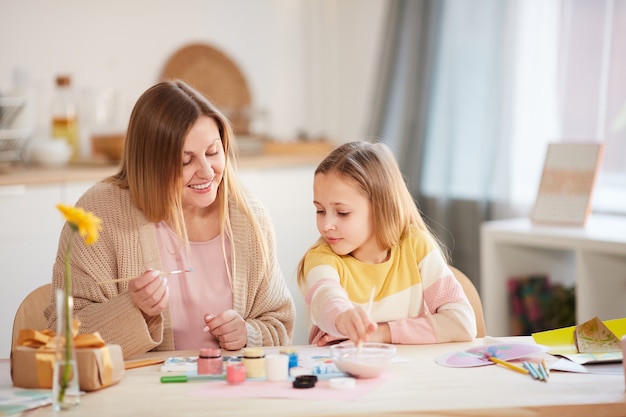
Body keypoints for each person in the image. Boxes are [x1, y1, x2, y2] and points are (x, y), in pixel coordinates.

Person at [44, 80, 295, 359]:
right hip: (140, 398)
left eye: (212, 152)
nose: (206, 172)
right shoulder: (101, 213)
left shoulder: (249, 217)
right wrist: (134, 308)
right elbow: (63, 335)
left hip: (230, 393)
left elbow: (279, 323)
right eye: (186, 161)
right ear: (151, 165)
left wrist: (248, 334)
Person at [297, 141, 476, 346]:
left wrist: (382, 333)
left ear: (381, 208)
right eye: (320, 210)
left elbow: (462, 323)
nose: (326, 224)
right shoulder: (322, 258)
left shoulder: (416, 247)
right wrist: (342, 317)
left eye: (342, 212)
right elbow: (325, 298)